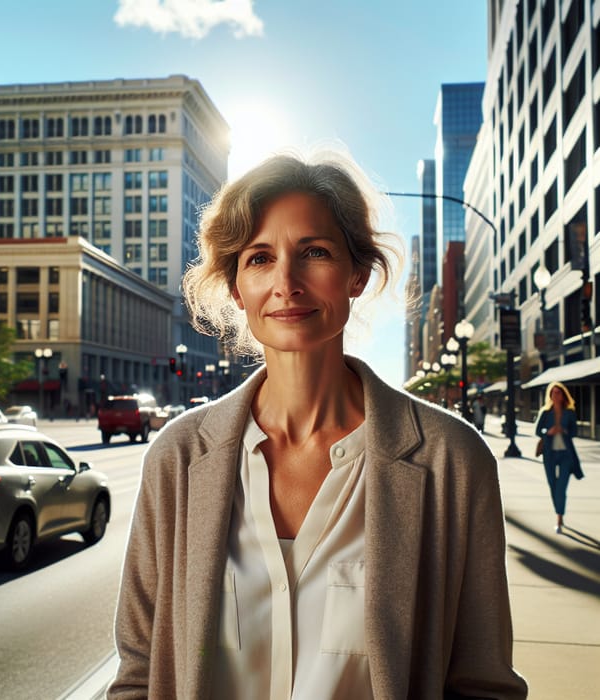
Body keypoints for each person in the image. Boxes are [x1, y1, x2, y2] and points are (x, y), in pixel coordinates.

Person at [108, 150, 527, 699]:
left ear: (356, 274)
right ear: (237, 289)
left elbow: (483, 684)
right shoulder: (178, 460)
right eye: (259, 258)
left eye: (315, 252)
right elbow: (139, 676)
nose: (286, 282)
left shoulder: (453, 462)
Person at [534, 381, 584, 534]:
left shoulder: (569, 412)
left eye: (558, 392)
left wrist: (564, 430)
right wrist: (547, 431)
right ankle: (559, 511)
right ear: (550, 395)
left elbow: (575, 432)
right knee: (553, 485)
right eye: (553, 392)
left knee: (561, 487)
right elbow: (537, 430)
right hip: (549, 454)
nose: (556, 395)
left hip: (565, 454)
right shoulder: (545, 412)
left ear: (563, 395)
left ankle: (559, 518)